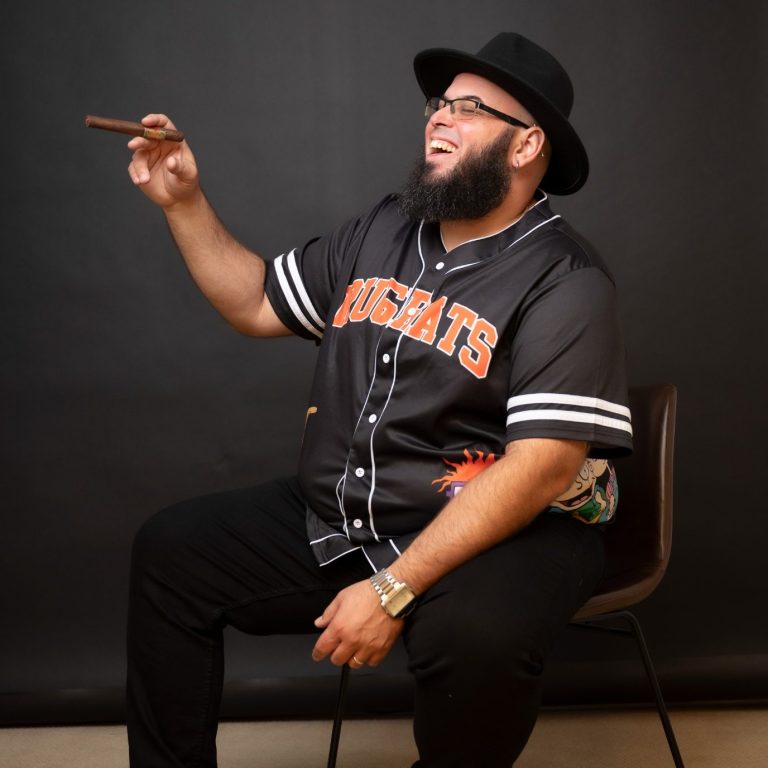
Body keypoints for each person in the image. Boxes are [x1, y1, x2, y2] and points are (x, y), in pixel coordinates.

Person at [124, 32, 632, 768]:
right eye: (438, 103)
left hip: (499, 534)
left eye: (470, 107)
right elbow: (257, 303)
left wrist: (393, 586)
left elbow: (546, 467)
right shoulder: (385, 226)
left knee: (477, 639)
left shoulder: (566, 277)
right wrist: (183, 201)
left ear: (527, 147)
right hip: (352, 517)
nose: (439, 117)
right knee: (172, 554)